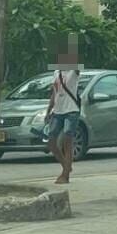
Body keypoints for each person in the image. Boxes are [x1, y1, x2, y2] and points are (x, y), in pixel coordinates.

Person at [43, 53, 82, 185]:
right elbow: (55, 93)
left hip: (71, 110)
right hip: (58, 111)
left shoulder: (74, 71)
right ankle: (67, 165)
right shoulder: (56, 73)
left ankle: (65, 174)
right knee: (51, 141)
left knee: (67, 139)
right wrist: (49, 110)